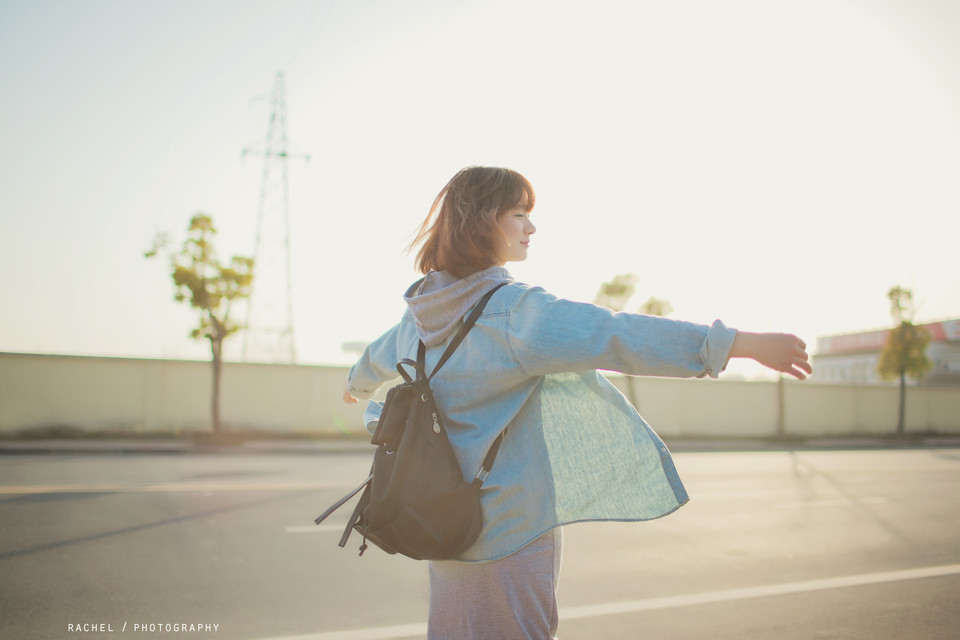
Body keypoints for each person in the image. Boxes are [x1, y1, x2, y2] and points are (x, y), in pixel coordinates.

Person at [342, 166, 811, 640]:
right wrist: (736, 344)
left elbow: (375, 359)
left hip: (437, 523)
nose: (531, 227)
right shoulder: (514, 314)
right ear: (483, 221)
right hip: (507, 529)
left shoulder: (420, 315)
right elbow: (615, 334)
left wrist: (356, 386)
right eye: (519, 214)